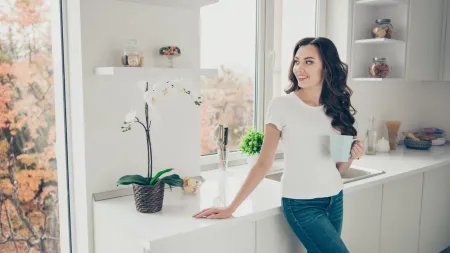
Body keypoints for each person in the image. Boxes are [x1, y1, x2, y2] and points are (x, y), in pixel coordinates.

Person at [193, 37, 365, 253]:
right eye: (296, 61)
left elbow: (338, 168)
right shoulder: (282, 106)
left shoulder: (335, 108)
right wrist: (232, 207)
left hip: (334, 199)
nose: (299, 68)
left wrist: (352, 155)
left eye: (308, 62)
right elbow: (263, 163)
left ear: (327, 67)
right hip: (302, 204)